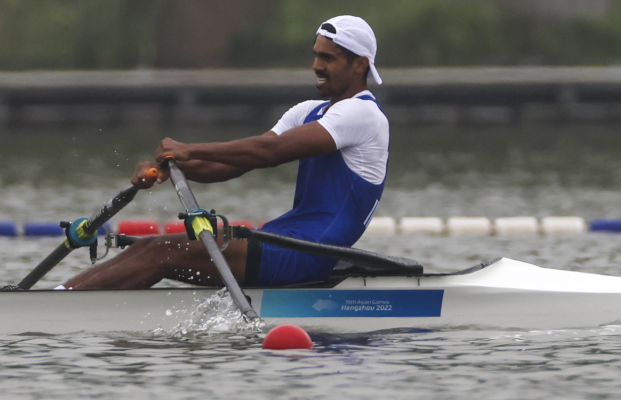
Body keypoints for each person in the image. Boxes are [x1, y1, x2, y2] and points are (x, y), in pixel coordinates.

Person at [64, 15, 388, 290]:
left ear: (360, 64)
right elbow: (235, 164)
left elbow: (270, 151)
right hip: (283, 240)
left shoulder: (363, 115)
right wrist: (172, 168)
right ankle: (60, 295)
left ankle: (56, 304)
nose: (316, 65)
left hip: (307, 255)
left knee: (162, 252)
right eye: (316, 55)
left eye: (328, 58)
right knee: (151, 246)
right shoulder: (308, 111)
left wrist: (188, 149)